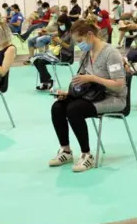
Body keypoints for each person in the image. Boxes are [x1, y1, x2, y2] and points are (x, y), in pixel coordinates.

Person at [49, 17, 127, 173]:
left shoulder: (111, 53)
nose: (78, 44)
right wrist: (68, 93)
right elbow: (83, 81)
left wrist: (92, 78)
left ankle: (87, 155)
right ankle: (65, 151)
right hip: (91, 95)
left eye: (80, 40)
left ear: (90, 35)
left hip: (113, 97)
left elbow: (120, 84)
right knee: (58, 107)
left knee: (74, 109)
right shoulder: (86, 52)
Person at [33, 15, 73, 90]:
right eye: (59, 25)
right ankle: (47, 81)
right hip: (57, 54)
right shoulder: (62, 32)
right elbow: (54, 37)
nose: (60, 26)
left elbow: (70, 48)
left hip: (66, 56)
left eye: (61, 24)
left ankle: (47, 81)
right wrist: (54, 41)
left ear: (66, 23)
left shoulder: (71, 33)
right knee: (36, 60)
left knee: (41, 62)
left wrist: (60, 42)